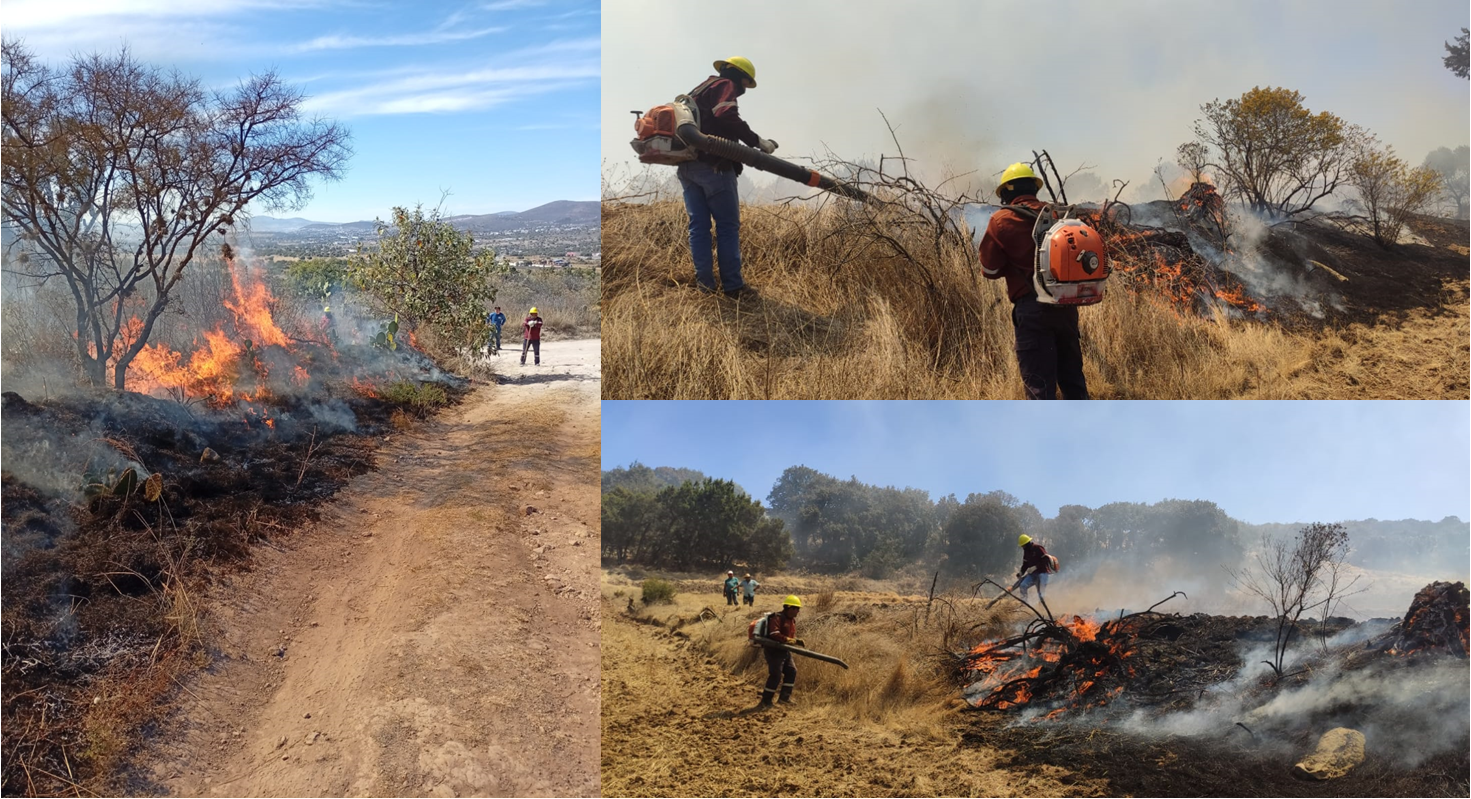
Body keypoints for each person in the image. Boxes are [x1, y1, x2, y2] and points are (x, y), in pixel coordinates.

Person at [980, 163, 1090, 400]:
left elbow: (989, 270)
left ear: (1007, 192)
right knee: (1074, 383)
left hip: (1032, 312)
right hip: (1065, 305)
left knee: (1039, 389)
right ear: (1034, 188)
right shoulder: (1060, 215)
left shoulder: (1001, 220)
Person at [678, 56, 777, 299]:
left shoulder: (699, 89)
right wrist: (757, 141)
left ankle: (705, 286)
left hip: (687, 168)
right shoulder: (725, 85)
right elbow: (726, 115)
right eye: (746, 83)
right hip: (715, 166)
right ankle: (733, 287)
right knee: (727, 227)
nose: (743, 89)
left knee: (698, 228)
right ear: (740, 77)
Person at [759, 595, 804, 707]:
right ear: (790, 608)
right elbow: (774, 634)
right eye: (797, 609)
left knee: (791, 671)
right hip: (774, 650)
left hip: (784, 650)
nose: (798, 611)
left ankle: (784, 699)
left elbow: (789, 636)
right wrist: (787, 640)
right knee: (776, 675)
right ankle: (766, 701)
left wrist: (795, 641)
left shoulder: (792, 620)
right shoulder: (777, 618)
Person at [1015, 534, 1056, 602]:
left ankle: (1042, 605)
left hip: (1043, 573)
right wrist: (1021, 572)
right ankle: (1024, 604)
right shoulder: (1026, 551)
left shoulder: (1038, 548)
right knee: (1023, 586)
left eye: (1023, 545)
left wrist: (1036, 567)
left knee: (1040, 593)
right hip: (1033, 574)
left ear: (1027, 543)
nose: (1023, 547)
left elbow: (1046, 559)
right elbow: (1025, 564)